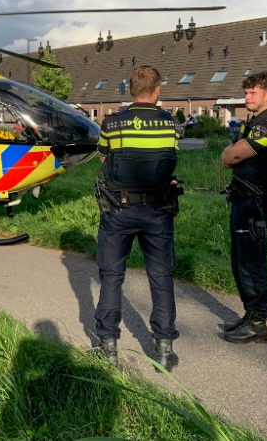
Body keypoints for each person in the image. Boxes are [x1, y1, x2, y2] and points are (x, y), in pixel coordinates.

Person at [93, 65, 183, 370]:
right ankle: (163, 349)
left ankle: (108, 348)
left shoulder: (112, 123)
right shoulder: (170, 124)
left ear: (130, 90)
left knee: (111, 277)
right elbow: (171, 159)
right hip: (158, 212)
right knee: (160, 277)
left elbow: (105, 158)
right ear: (158, 91)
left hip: (118, 209)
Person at [219, 71, 267, 344]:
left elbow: (229, 156)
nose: (247, 97)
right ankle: (250, 315)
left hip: (254, 203)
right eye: (246, 92)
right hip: (245, 199)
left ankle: (258, 322)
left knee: (252, 261)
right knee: (241, 260)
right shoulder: (258, 122)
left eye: (253, 93)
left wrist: (231, 150)